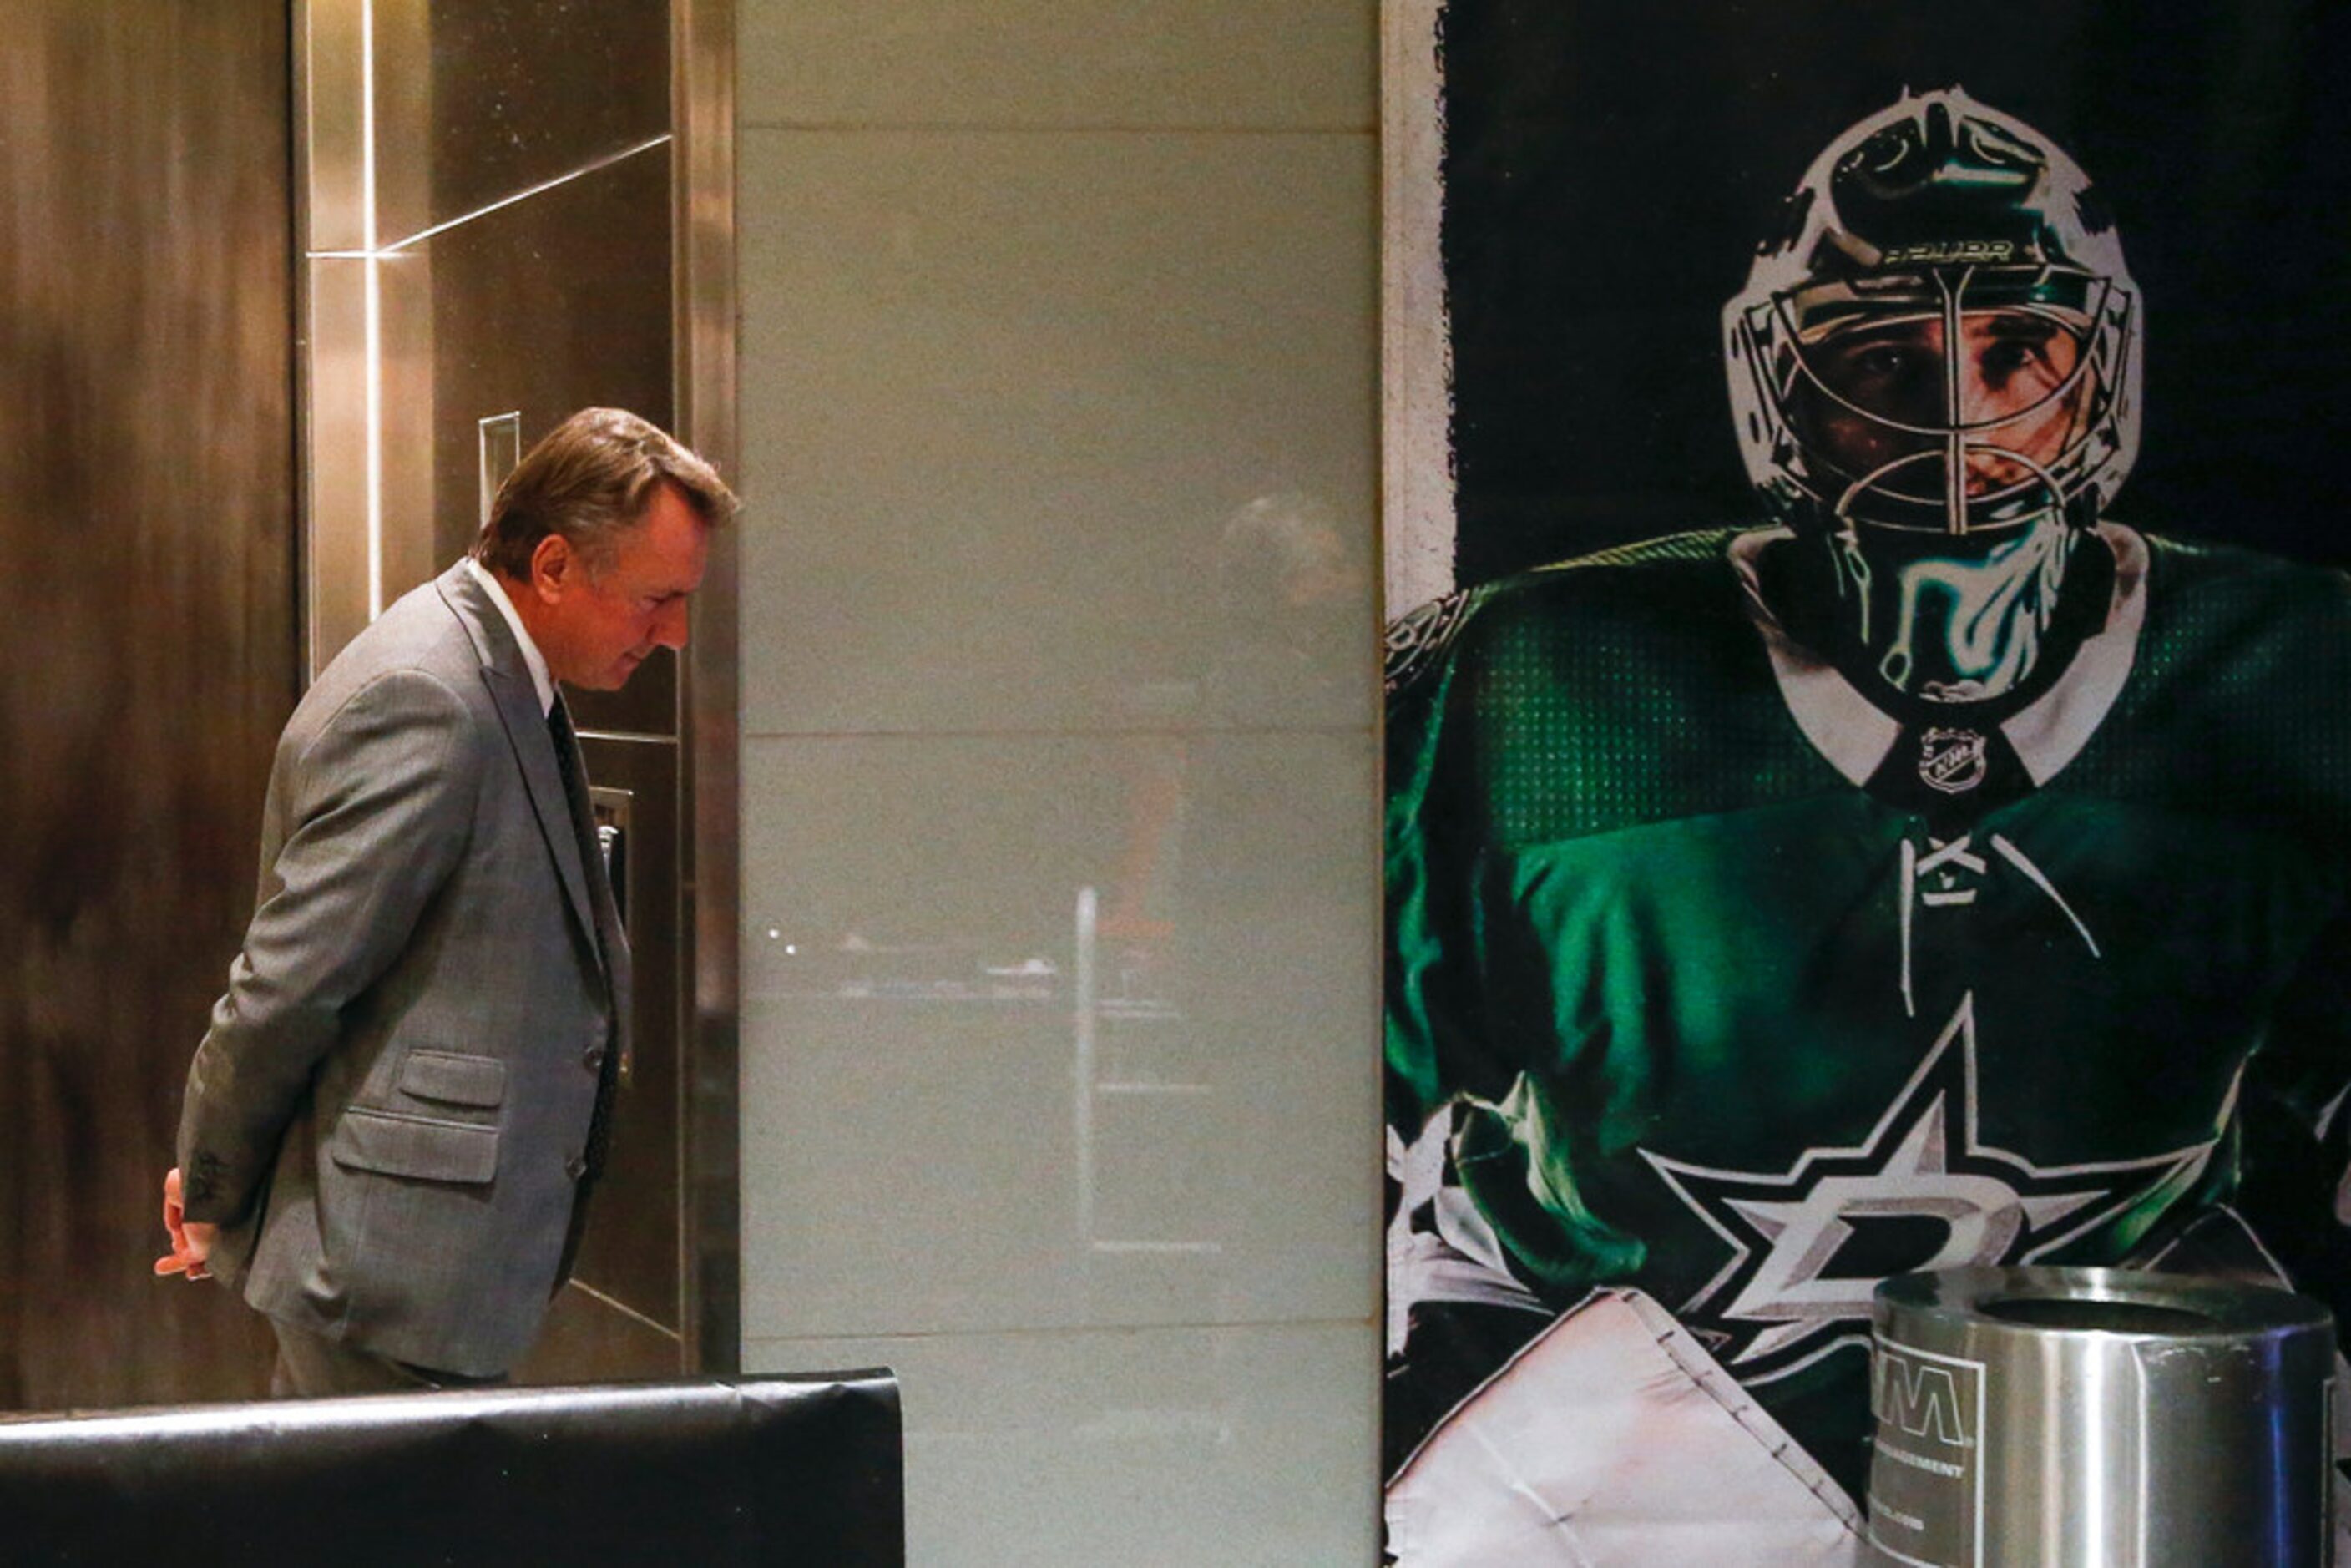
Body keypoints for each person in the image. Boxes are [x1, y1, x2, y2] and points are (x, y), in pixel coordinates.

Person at [1383, 88, 2351, 1562]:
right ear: (1776, 388)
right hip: (1618, 1468)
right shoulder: (1519, 682)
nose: (1953, 419)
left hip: (2109, 1443)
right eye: (1880, 355)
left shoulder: (2296, 677)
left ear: (2106, 372)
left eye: (2017, 345)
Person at [155, 407, 736, 1397]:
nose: (674, 634)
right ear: (552, 566)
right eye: (654, 599)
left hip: (419, 1275)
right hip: (381, 1278)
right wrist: (211, 1186)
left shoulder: (495, 674)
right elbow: (287, 987)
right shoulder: (430, 696)